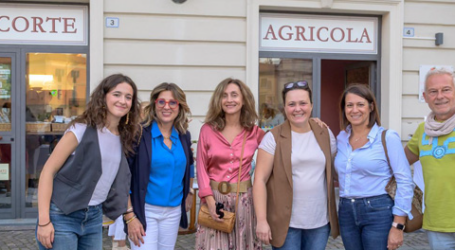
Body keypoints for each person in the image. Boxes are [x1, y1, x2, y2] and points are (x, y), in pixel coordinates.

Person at [36, 74, 141, 250]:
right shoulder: (81, 129)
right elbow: (48, 171)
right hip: (62, 214)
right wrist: (44, 221)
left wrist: (130, 215)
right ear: (103, 97)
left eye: (128, 97)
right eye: (117, 94)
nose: (123, 101)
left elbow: (121, 181)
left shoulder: (123, 136)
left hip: (93, 217)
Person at [253, 80, 339, 250]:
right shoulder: (273, 137)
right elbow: (259, 180)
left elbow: (336, 171)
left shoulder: (325, 133)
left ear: (311, 106)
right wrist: (262, 221)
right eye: (291, 104)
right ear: (284, 108)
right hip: (287, 223)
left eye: (303, 103)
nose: (297, 108)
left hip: (319, 222)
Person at [334, 84, 414, 250]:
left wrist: (398, 225)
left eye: (360, 104)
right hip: (346, 210)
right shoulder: (341, 138)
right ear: (344, 109)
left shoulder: (387, 137)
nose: (354, 110)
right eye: (349, 105)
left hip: (378, 210)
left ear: (371, 107)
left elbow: (405, 180)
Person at [195, 78, 265, 249]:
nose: (229, 100)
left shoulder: (255, 132)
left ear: (243, 100)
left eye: (234, 95)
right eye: (224, 96)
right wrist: (209, 201)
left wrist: (310, 124)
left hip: (244, 202)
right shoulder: (207, 130)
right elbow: (201, 167)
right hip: (214, 199)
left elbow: (279, 143)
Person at [124, 82, 194, 250]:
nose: (166, 107)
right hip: (145, 210)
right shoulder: (139, 134)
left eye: (173, 102)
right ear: (154, 105)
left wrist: (190, 191)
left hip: (173, 212)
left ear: (180, 106)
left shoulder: (184, 135)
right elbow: (123, 176)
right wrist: (129, 215)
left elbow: (190, 164)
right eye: (161, 101)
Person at [404, 67, 455, 250]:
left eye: (446, 89)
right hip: (437, 224)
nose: (440, 96)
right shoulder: (422, 131)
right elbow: (397, 164)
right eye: (433, 91)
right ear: (425, 97)